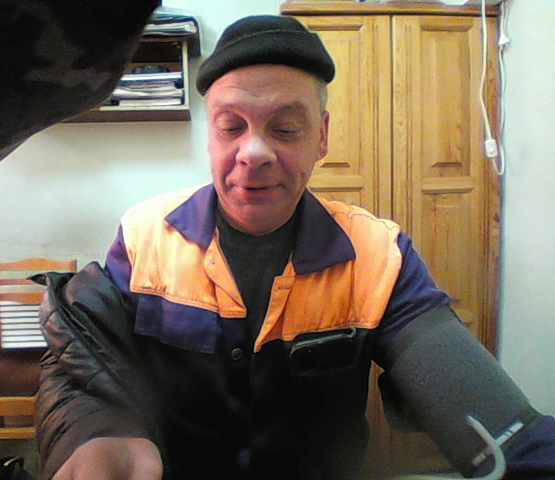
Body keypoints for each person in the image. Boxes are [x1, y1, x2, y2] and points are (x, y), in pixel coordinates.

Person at [35, 15, 555, 480]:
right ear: (210, 138)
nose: (254, 151)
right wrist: (95, 431)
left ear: (321, 136)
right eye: (230, 127)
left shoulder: (377, 253)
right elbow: (80, 358)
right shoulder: (144, 234)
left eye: (285, 128)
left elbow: (497, 421)